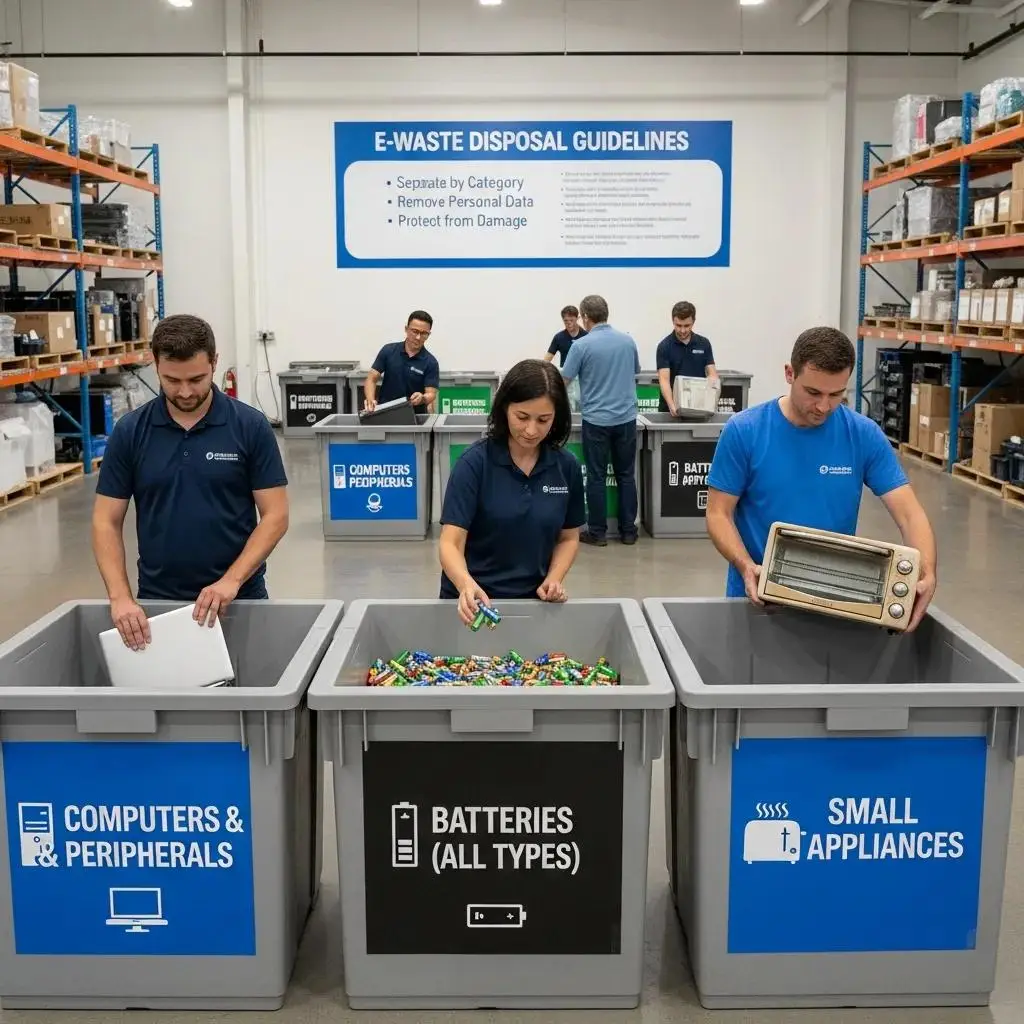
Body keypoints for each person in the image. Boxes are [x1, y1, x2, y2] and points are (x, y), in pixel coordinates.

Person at [706, 326, 936, 631]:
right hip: (757, 601)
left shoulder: (863, 435)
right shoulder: (745, 432)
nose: (824, 406)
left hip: (834, 602)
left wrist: (927, 572)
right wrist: (746, 566)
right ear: (790, 373)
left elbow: (910, 514)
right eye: (813, 392)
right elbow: (718, 513)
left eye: (837, 394)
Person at [92, 314, 290, 651]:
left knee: (249, 694)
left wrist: (232, 580)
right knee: (171, 700)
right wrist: (120, 597)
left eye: (197, 379)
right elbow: (105, 520)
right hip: (157, 602)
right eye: (172, 380)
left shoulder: (250, 427)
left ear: (214, 362)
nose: (185, 391)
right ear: (154, 365)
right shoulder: (131, 431)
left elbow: (276, 516)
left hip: (240, 597)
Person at [439, 359, 585, 624]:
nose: (531, 430)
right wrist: (465, 584)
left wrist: (554, 579)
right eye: (522, 417)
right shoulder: (474, 464)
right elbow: (451, 542)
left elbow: (568, 538)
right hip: (474, 606)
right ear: (505, 409)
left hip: (533, 606)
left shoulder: (567, 467)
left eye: (543, 420)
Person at [560, 294, 641, 547]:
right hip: (626, 418)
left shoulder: (581, 346)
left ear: (585, 317)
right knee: (626, 475)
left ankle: (597, 532)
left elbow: (564, 380)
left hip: (596, 421)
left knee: (595, 476)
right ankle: (628, 531)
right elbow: (636, 371)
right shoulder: (627, 341)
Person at [364, 310, 440, 414]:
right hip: (385, 413)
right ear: (406, 329)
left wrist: (422, 398)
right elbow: (371, 378)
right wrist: (370, 399)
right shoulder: (388, 351)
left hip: (414, 418)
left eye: (424, 333)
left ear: (429, 334)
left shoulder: (431, 362)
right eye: (415, 331)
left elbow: (431, 394)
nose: (418, 337)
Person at [657, 300, 719, 415]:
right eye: (678, 325)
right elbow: (664, 380)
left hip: (698, 409)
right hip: (670, 411)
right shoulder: (664, 346)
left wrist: (711, 396)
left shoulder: (704, 344)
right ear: (673, 321)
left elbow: (712, 374)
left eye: (687, 325)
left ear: (693, 322)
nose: (682, 330)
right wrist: (672, 406)